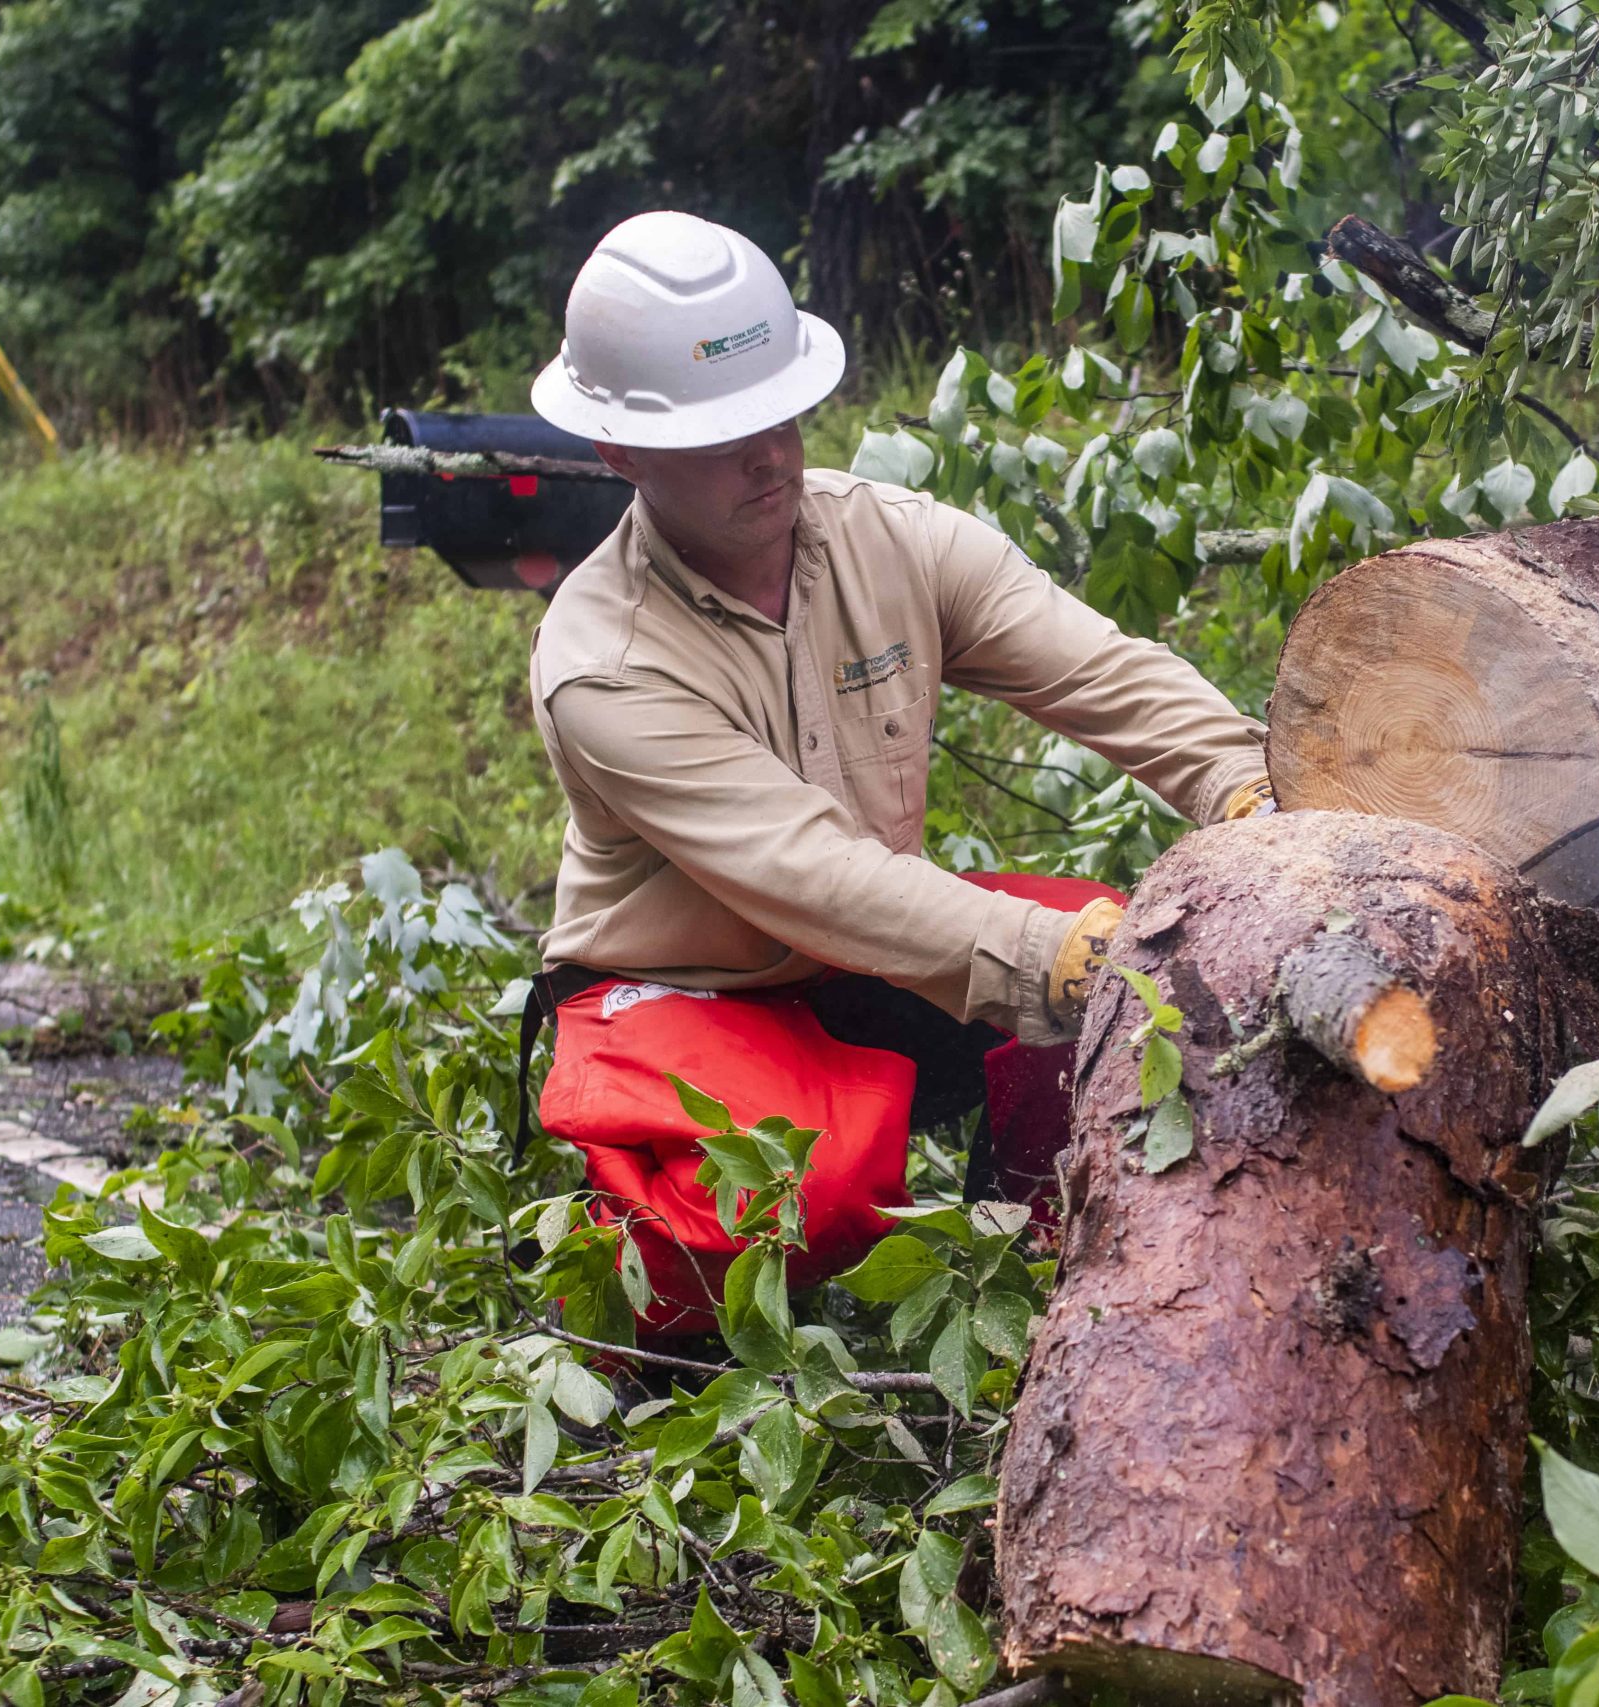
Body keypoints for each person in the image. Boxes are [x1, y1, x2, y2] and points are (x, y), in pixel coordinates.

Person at [518, 210, 1274, 1336]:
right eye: (722, 436)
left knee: (1140, 970)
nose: (769, 455)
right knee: (795, 1188)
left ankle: (1032, 1285)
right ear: (618, 451)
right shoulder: (605, 665)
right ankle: (644, 1344)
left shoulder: (896, 541)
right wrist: (1042, 959)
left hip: (863, 955)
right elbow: (806, 873)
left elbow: (1099, 671)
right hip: (690, 985)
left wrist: (1248, 784)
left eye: (777, 415)